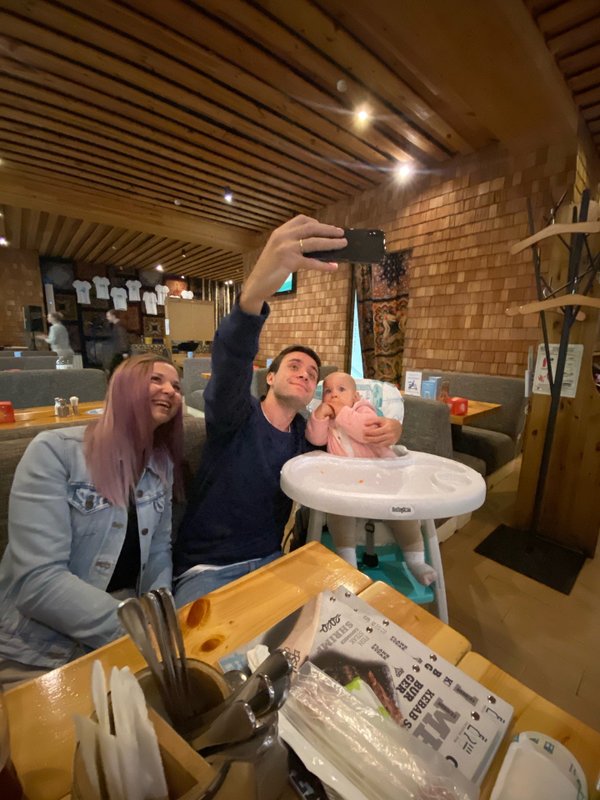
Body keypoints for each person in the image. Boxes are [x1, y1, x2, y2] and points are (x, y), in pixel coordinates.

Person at [173, 215, 401, 606]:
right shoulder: (235, 415)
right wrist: (253, 298)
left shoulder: (306, 436)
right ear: (269, 377)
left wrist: (393, 429)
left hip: (274, 562)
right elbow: (231, 361)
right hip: (207, 570)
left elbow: (358, 455)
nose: (304, 375)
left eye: (312, 374)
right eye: (294, 366)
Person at [0, 354, 184, 683]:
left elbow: (159, 551)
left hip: (120, 629)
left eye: (177, 385)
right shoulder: (55, 451)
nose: (170, 390)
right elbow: (37, 582)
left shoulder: (162, 465)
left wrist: (160, 618)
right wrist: (138, 631)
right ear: (122, 387)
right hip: (35, 646)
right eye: (156, 379)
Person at [306, 371, 437, 586]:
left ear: (355, 396)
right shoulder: (328, 421)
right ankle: (349, 562)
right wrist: (319, 415)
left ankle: (416, 561)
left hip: (380, 479)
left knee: (404, 515)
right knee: (338, 513)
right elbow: (315, 438)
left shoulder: (363, 409)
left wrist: (342, 411)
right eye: (328, 391)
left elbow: (365, 430)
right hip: (346, 483)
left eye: (341, 389)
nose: (334, 395)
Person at [105, 309, 131, 374]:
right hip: (118, 351)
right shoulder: (116, 326)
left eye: (108, 316)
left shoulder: (119, 326)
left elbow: (122, 338)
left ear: (113, 316)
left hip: (120, 352)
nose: (107, 318)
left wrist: (124, 351)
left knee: (114, 369)